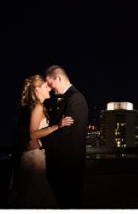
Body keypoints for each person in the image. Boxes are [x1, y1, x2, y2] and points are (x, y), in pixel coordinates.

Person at [9, 75, 74, 208]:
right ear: (37, 89)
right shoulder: (38, 106)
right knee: (31, 201)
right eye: (45, 87)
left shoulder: (31, 107)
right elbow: (32, 134)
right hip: (34, 160)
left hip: (30, 157)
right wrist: (58, 126)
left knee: (47, 201)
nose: (49, 89)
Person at [43, 65, 89, 208]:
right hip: (61, 166)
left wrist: (40, 144)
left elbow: (66, 133)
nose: (50, 89)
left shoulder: (75, 99)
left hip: (68, 168)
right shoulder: (65, 99)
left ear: (58, 78)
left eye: (50, 84)